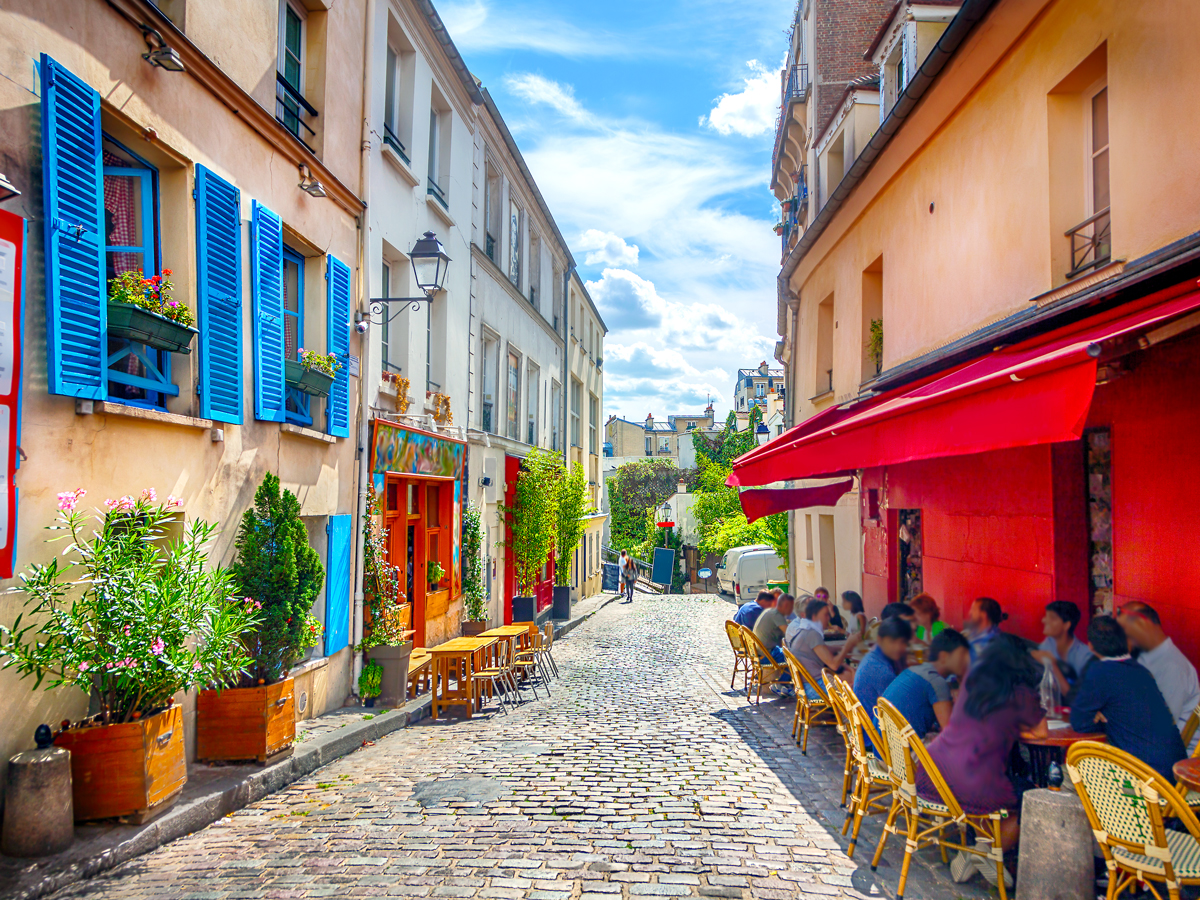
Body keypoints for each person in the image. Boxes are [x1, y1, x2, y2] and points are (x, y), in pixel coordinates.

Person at [917, 634, 1047, 879]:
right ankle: (984, 852)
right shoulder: (1020, 691)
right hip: (971, 782)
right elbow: (1041, 731)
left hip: (934, 774)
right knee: (1028, 797)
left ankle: (980, 847)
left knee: (1003, 783)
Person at [1069, 615, 1186, 782]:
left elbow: (1079, 722)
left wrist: (1101, 719)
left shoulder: (1099, 672)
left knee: (1070, 775)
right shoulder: (1141, 671)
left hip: (1145, 780)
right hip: (1177, 775)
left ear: (1091, 647)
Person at [1117, 601, 1200, 750]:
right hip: (1146, 743)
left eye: (1124, 630)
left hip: (1171, 755)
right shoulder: (1143, 657)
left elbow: (1159, 726)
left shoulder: (1172, 666)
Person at [882, 629, 970, 738]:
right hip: (905, 753)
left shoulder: (914, 669)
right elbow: (951, 735)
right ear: (943, 656)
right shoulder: (937, 682)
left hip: (883, 748)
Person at [785, 598, 862, 700]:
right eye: (825, 614)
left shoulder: (805, 630)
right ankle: (858, 712)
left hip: (805, 686)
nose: (828, 618)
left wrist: (844, 649)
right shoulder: (812, 634)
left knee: (852, 673)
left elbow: (824, 649)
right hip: (814, 689)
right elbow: (834, 665)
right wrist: (848, 646)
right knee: (860, 678)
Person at [854, 617, 912, 731]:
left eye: (903, 642)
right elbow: (901, 711)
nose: (898, 647)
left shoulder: (876, 656)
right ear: (880, 640)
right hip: (876, 739)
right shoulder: (881, 671)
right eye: (892, 642)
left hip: (866, 730)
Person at [1031, 601, 1094, 700]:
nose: (1044, 620)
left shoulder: (1085, 656)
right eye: (1046, 616)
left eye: (1052, 618)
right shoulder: (1046, 645)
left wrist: (1051, 665)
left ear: (1066, 625)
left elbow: (1077, 698)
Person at [753, 594, 798, 695]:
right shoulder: (777, 614)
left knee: (790, 652)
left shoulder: (771, 612)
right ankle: (782, 684)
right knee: (795, 656)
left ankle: (786, 683)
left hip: (759, 652)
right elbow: (788, 634)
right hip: (766, 655)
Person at [964, 597, 1007, 663]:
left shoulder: (992, 642)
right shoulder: (968, 634)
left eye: (974, 609)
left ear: (984, 615)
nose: (970, 613)